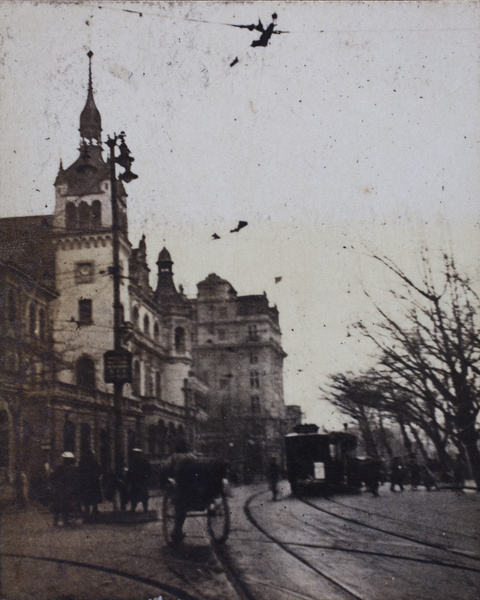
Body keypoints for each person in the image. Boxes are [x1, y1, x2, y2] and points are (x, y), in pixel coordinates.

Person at [50, 451, 79, 526]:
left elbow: (53, 478)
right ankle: (64, 520)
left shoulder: (59, 468)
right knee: (64, 505)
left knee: (60, 505)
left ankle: (57, 520)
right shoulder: (72, 469)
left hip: (61, 489)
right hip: (66, 489)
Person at [77, 449, 102, 517]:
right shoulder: (94, 463)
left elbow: (79, 472)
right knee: (94, 496)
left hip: (85, 483)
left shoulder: (82, 463)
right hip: (93, 482)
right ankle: (94, 509)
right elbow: (99, 471)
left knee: (86, 497)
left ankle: (87, 509)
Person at [128, 448, 151, 513]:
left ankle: (145, 508)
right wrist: (129, 480)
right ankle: (133, 508)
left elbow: (149, 471)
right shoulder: (132, 462)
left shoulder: (144, 462)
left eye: (137, 454)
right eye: (135, 454)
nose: (136, 455)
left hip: (142, 481)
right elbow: (130, 472)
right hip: (134, 481)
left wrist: (147, 477)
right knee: (134, 496)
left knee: (144, 496)